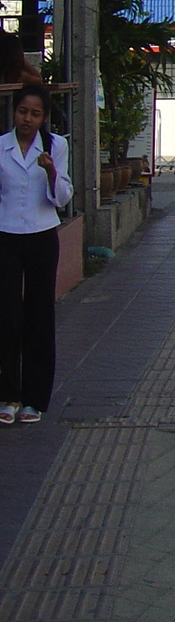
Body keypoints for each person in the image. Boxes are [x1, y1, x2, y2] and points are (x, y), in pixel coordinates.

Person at [0, 84, 73, 423]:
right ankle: (8, 395)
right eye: (22, 112)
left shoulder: (56, 146)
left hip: (42, 235)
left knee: (39, 315)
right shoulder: (1, 146)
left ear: (44, 118)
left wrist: (51, 172)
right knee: (8, 315)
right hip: (6, 236)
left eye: (35, 114)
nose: (27, 119)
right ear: (13, 112)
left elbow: (61, 199)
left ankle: (35, 399)